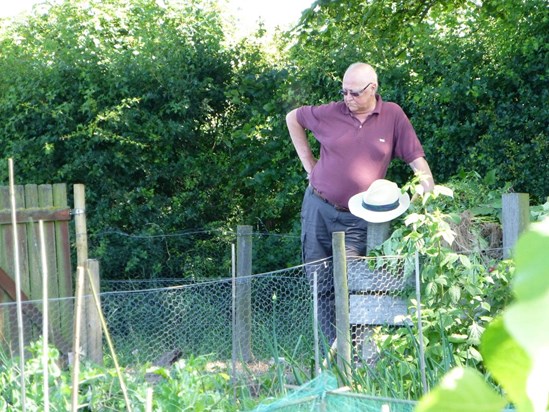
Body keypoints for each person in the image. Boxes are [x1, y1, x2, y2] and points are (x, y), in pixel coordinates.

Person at [285, 62, 434, 344]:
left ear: (373, 88)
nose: (347, 99)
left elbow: (417, 160)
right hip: (319, 207)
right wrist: (309, 165)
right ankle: (335, 355)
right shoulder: (330, 113)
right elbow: (293, 117)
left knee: (356, 282)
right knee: (320, 283)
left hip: (359, 218)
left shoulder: (392, 116)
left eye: (354, 93)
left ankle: (358, 352)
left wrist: (426, 184)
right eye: (344, 92)